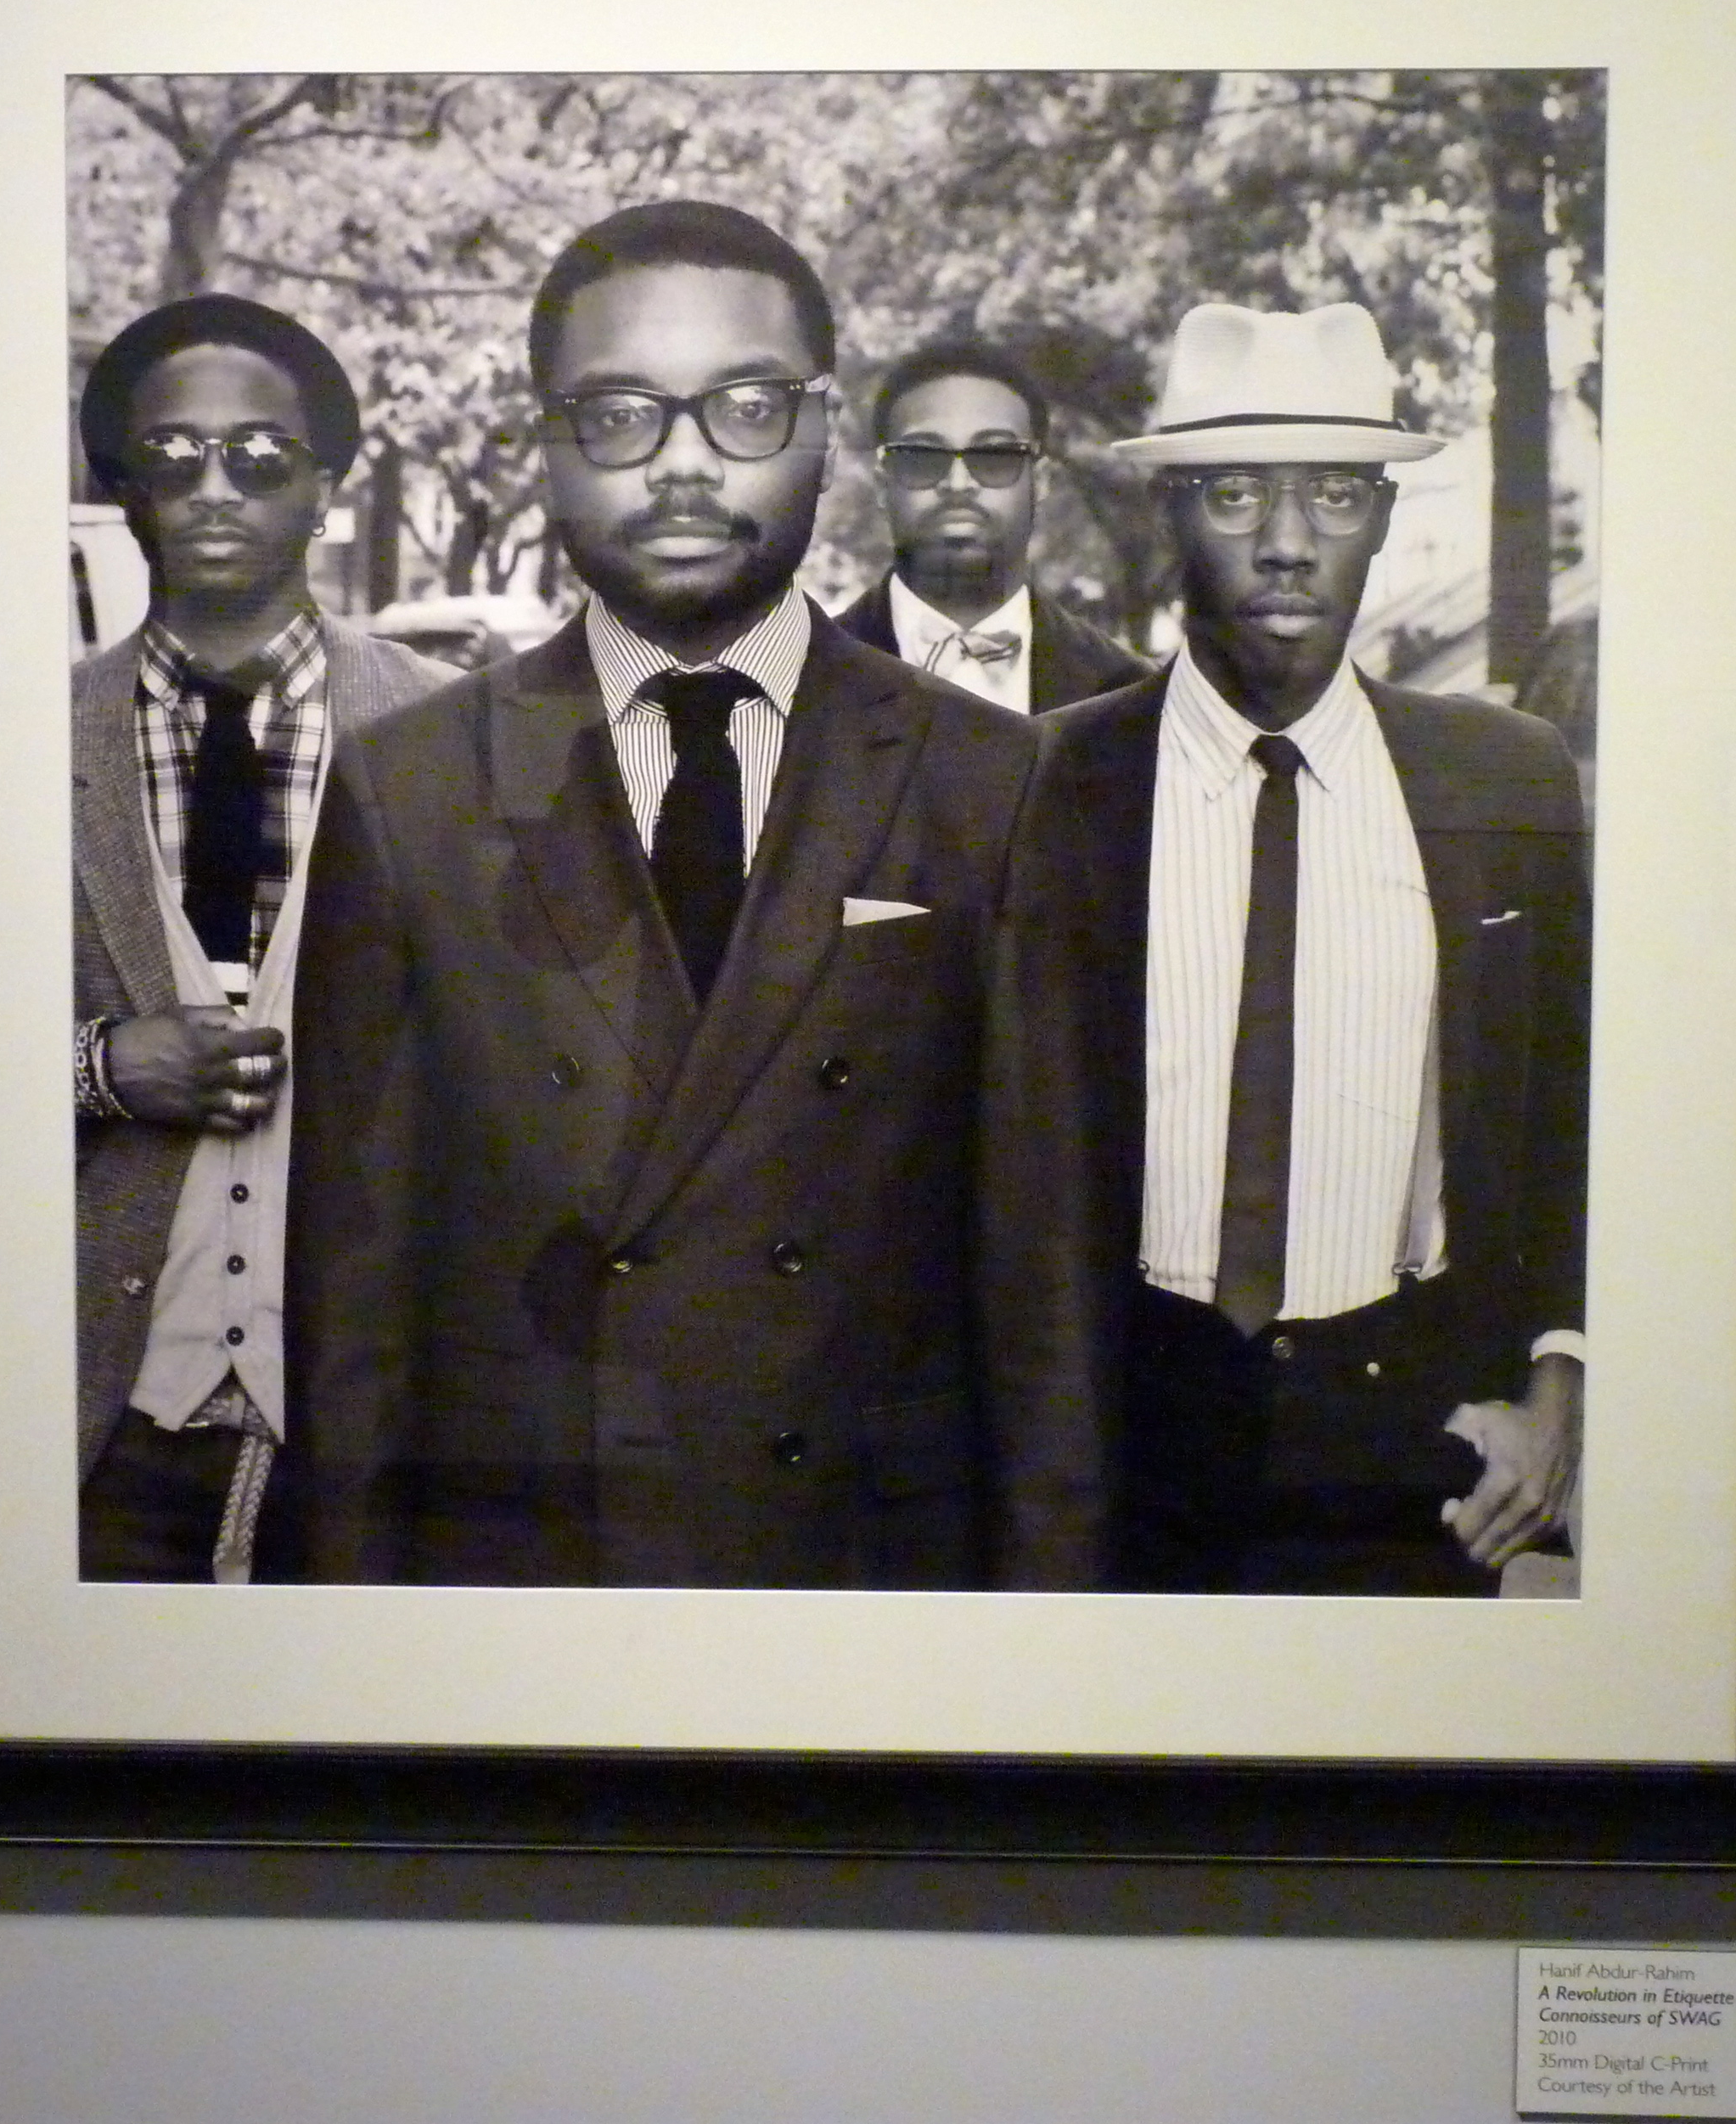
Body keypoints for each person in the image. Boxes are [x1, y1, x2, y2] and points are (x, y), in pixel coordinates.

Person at [288, 200, 1103, 1589]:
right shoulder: (406, 789)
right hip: (529, 1567)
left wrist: (1046, 1644)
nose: (681, 464)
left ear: (823, 427)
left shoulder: (990, 779)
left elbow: (1043, 1296)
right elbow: (353, 1312)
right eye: (619, 415)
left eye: (745, 407)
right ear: (548, 441)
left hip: (862, 1572)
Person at [1000, 301, 1589, 1594]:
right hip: (1127, 1442)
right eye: (1234, 494)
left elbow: (1569, 1112)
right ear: (1173, 511)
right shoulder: (1043, 785)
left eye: (1332, 494)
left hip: (1412, 1448)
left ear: (1381, 515)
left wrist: (1562, 1374)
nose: (1285, 542)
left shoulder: (1505, 780)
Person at [71, 291, 451, 1582]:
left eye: (259, 455)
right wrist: (99, 1069)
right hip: (99, 1419)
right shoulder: (12, 739)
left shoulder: (458, 734)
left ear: (325, 488)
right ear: (127, 493)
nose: (215, 486)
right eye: (174, 457)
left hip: (369, 1422)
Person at [832, 339, 1149, 714]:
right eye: (922, 456)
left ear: (1041, 481)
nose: (958, 483)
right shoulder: (805, 676)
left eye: (994, 455)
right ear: (882, 484)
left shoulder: (1130, 694)